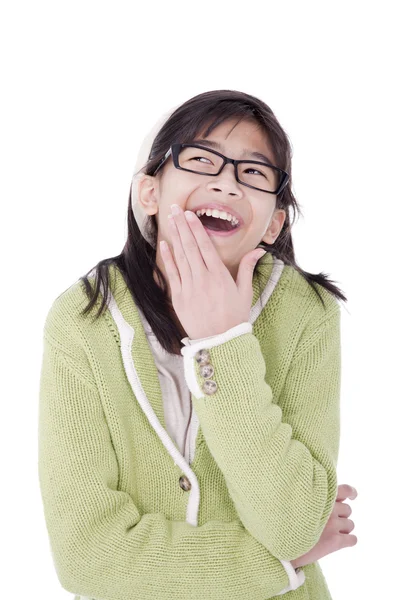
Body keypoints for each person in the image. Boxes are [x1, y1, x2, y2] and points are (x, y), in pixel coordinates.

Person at [38, 89, 357, 600]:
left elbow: (294, 524)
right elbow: (86, 555)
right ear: (149, 193)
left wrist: (221, 342)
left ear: (273, 222)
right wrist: (274, 563)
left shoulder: (307, 313)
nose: (226, 182)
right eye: (201, 160)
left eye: (253, 174)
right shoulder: (82, 319)